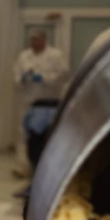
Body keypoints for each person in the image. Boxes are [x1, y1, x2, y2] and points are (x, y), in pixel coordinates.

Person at [12, 29, 68, 177]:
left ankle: (46, 169)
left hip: (49, 103)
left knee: (48, 135)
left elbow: (64, 75)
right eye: (32, 40)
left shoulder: (56, 55)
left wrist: (43, 78)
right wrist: (24, 79)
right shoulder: (24, 56)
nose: (33, 43)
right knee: (23, 134)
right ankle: (23, 167)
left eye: (36, 40)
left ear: (44, 40)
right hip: (28, 102)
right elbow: (16, 78)